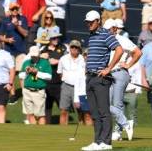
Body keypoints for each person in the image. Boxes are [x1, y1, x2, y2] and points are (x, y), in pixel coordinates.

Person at [82, 10, 123, 151]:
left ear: (98, 21)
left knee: (104, 111)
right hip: (90, 77)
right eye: (87, 22)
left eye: (91, 22)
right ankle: (97, 141)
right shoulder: (91, 36)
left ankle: (106, 142)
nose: (89, 25)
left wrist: (108, 68)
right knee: (94, 112)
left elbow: (119, 50)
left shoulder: (106, 34)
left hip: (101, 78)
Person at [104, 19, 140, 141]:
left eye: (108, 29)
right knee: (105, 104)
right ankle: (126, 123)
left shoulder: (122, 40)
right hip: (108, 74)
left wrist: (128, 65)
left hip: (119, 73)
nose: (106, 32)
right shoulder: (105, 40)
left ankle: (118, 131)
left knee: (117, 103)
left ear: (114, 29)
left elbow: (137, 52)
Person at [58, 39, 88, 126]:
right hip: (66, 86)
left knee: (84, 111)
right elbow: (60, 73)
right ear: (69, 48)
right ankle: (63, 132)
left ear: (79, 49)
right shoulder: (63, 59)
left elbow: (87, 72)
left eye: (76, 47)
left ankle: (86, 131)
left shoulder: (84, 59)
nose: (74, 49)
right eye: (72, 47)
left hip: (81, 88)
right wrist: (68, 79)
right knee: (64, 110)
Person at [20, 45, 52, 125]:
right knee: (29, 113)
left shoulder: (44, 62)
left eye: (35, 55)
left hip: (38, 91)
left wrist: (37, 72)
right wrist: (27, 72)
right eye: (32, 55)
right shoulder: (26, 62)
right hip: (27, 90)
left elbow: (49, 77)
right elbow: (21, 75)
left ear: (39, 54)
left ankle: (41, 132)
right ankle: (33, 130)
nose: (34, 57)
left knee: (40, 114)